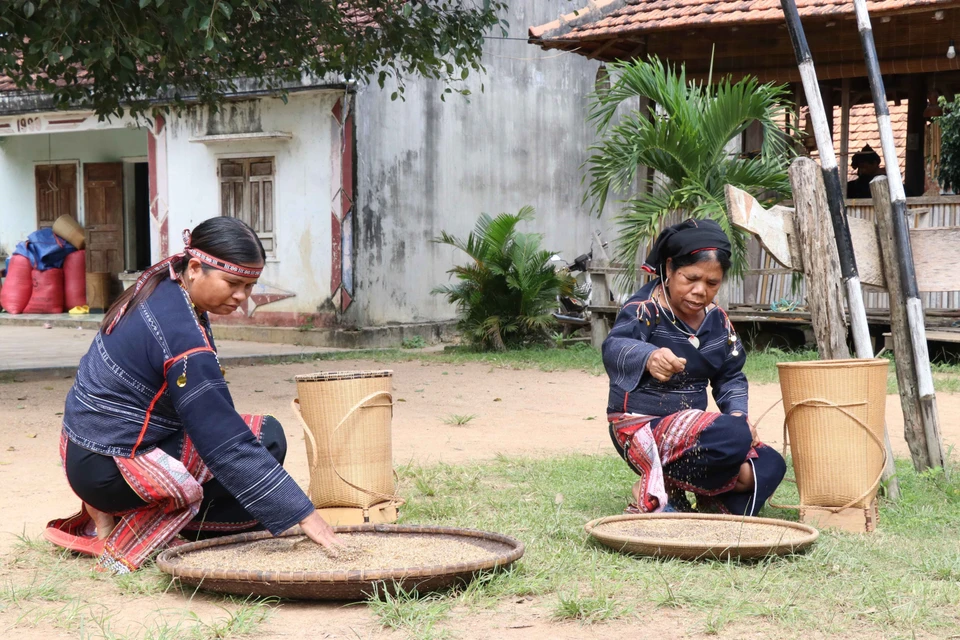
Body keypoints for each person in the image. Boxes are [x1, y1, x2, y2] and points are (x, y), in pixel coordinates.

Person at [45, 217, 340, 573]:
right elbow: (224, 441)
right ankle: (150, 525)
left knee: (252, 454)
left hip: (84, 449)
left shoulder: (162, 284)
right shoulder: (182, 336)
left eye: (250, 286)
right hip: (111, 468)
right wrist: (302, 513)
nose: (242, 297)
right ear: (197, 268)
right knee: (266, 443)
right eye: (233, 283)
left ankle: (112, 510)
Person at [602, 219, 785, 516]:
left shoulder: (718, 321)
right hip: (640, 428)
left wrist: (738, 414)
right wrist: (649, 357)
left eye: (712, 283)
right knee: (733, 436)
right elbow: (615, 346)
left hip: (695, 435)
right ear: (670, 268)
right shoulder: (644, 309)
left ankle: (706, 506)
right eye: (691, 278)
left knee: (769, 463)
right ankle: (656, 489)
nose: (700, 291)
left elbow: (731, 376)